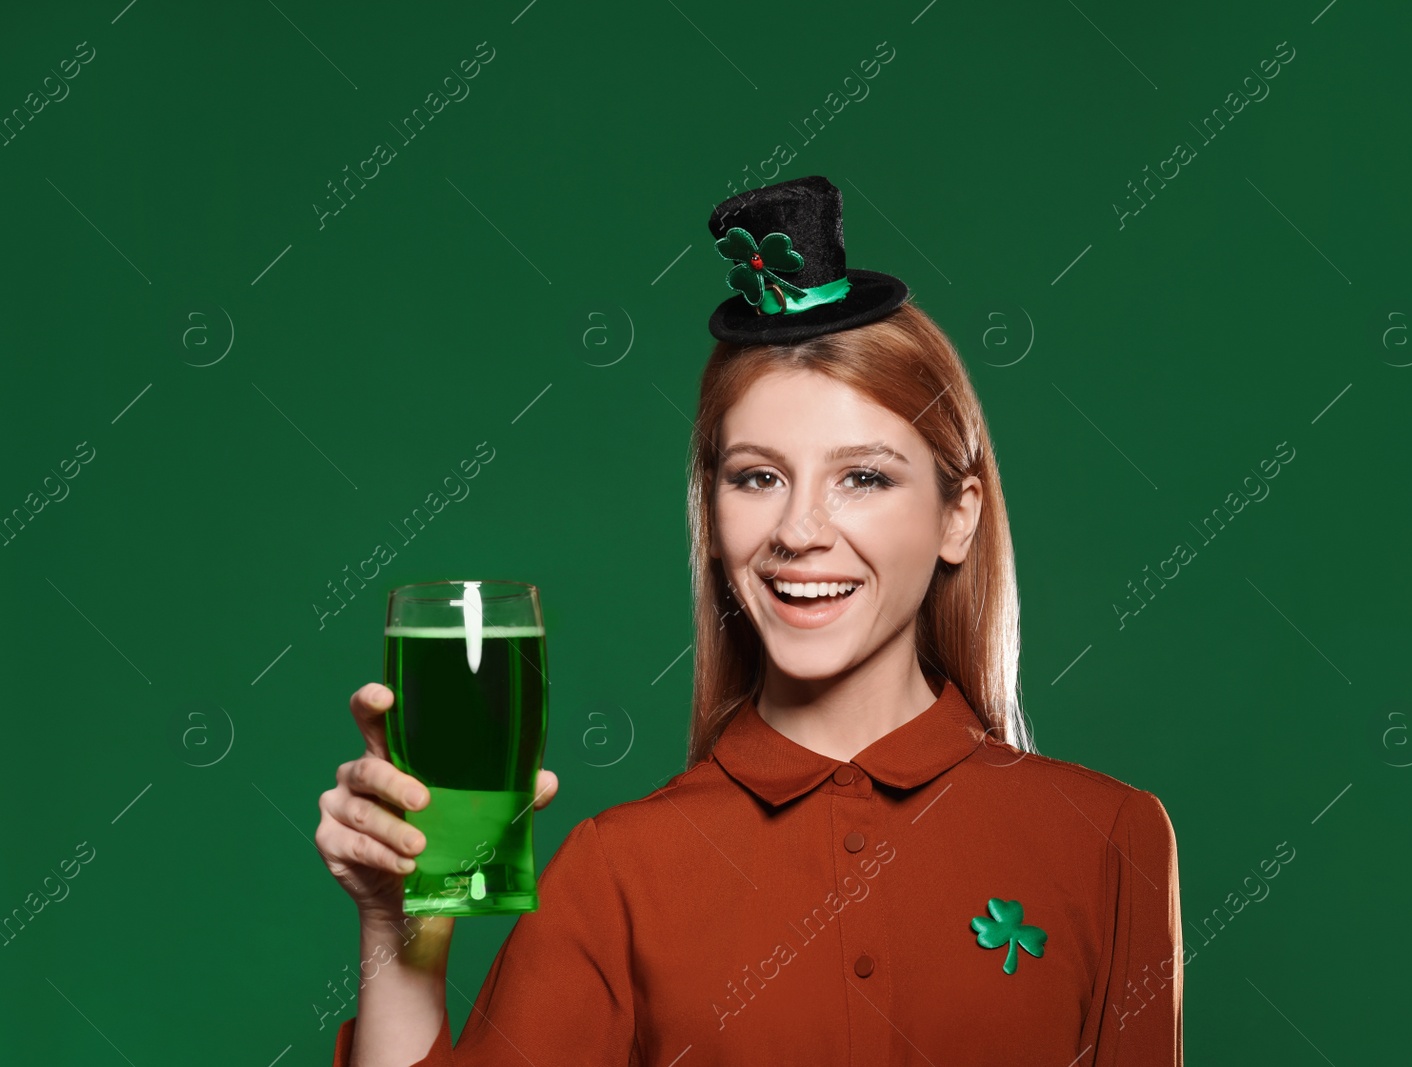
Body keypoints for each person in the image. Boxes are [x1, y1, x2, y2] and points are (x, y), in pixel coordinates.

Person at [318, 175, 1183, 1066]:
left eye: (865, 476)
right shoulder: (617, 871)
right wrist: (401, 930)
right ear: (712, 510)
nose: (800, 531)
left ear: (958, 514)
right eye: (758, 477)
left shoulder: (1110, 841)